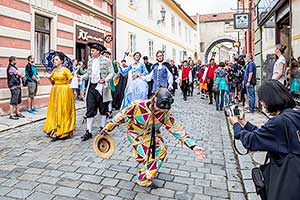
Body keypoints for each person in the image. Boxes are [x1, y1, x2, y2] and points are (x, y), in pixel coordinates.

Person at [100, 88, 205, 187]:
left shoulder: (166, 113)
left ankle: (144, 177)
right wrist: (107, 128)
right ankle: (146, 174)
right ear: (154, 100)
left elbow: (175, 128)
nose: (160, 112)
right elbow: (121, 116)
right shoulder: (137, 105)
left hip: (152, 134)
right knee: (148, 155)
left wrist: (193, 146)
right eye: (159, 109)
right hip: (135, 133)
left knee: (161, 151)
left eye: (163, 111)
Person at [228, 80, 300, 200]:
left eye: (262, 100)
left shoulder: (279, 122)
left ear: (270, 99)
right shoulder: (293, 115)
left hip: (287, 180)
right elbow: (266, 136)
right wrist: (244, 123)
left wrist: (236, 125)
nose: (262, 104)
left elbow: (252, 141)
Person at [81, 43, 114, 141]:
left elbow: (111, 73)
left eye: (93, 50)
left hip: (102, 87)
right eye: (91, 50)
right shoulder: (90, 61)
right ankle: (88, 131)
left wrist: (105, 80)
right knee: (90, 108)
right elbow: (88, 74)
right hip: (91, 87)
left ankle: (102, 128)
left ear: (98, 51)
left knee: (103, 108)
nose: (91, 52)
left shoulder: (106, 61)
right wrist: (81, 77)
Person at [43, 53, 76, 141]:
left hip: (64, 91)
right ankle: (55, 129)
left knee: (63, 110)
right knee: (55, 110)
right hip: (55, 91)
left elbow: (70, 80)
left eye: (56, 59)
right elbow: (52, 83)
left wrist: (66, 88)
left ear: (61, 61)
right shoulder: (54, 71)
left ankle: (64, 130)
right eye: (54, 60)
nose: (54, 61)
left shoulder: (65, 70)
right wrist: (49, 78)